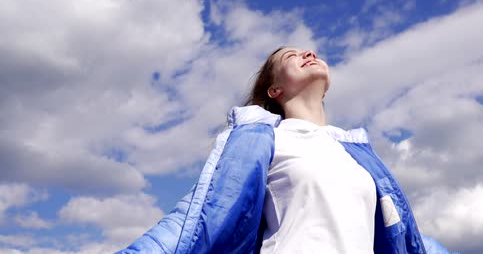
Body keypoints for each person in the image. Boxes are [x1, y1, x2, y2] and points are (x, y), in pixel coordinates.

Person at [118, 47, 453, 254]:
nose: (308, 53)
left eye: (308, 51)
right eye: (292, 56)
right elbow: (197, 219)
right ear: (274, 89)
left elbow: (407, 238)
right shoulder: (262, 142)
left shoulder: (358, 156)